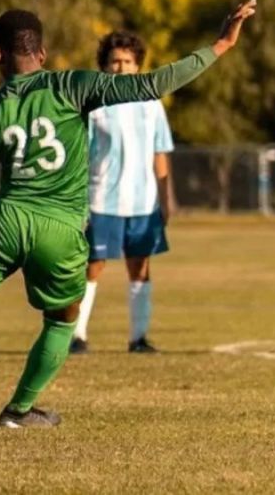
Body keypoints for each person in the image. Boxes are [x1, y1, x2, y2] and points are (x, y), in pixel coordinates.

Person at [0, 0, 257, 427]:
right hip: (59, 229)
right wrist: (221, 44)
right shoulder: (72, 86)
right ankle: (18, 411)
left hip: (4, 224)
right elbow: (154, 84)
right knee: (62, 319)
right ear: (41, 53)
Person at [71, 31, 175, 355]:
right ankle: (77, 335)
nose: (121, 67)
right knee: (92, 265)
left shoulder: (151, 103)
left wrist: (166, 197)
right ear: (104, 65)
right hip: (102, 199)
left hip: (143, 201)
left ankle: (138, 338)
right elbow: (80, 156)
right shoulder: (95, 105)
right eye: (114, 61)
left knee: (140, 267)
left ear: (137, 65)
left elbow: (160, 152)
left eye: (127, 62)